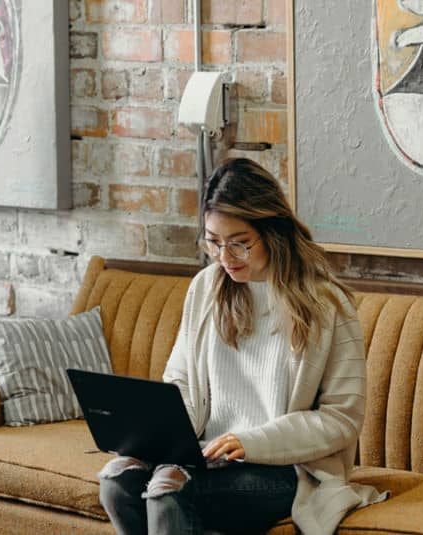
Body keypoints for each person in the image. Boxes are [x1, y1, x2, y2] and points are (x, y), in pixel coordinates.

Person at [97, 158, 386, 535]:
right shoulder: (205, 288)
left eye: (239, 244)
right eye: (213, 242)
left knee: (168, 489)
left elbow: (341, 418)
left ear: (273, 232)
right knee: (118, 480)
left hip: (284, 470)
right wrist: (157, 436)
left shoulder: (326, 305)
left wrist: (250, 442)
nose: (225, 258)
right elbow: (181, 382)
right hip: (203, 456)